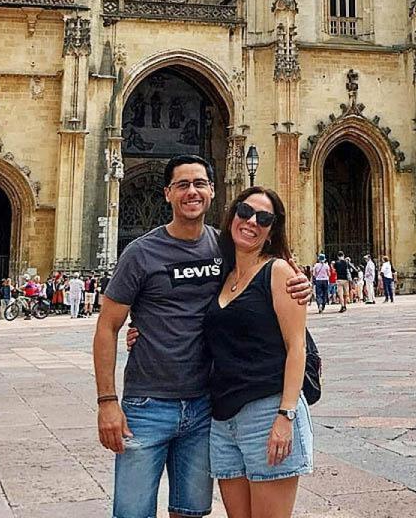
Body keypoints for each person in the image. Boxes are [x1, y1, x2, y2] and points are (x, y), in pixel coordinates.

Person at [92, 155, 311, 518]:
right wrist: (106, 401)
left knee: (191, 512)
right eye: (182, 185)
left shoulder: (223, 248)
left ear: (212, 191)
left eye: (199, 184)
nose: (191, 192)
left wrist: (299, 282)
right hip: (148, 405)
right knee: (131, 512)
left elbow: (264, 289)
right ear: (167, 194)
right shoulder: (141, 252)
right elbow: (107, 326)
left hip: (203, 408)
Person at [204, 187, 314, 517]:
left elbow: (298, 347)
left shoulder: (279, 271)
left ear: (271, 231)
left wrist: (286, 415)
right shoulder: (222, 275)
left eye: (263, 218)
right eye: (245, 211)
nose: (251, 221)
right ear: (232, 215)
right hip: (222, 420)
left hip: (268, 415)